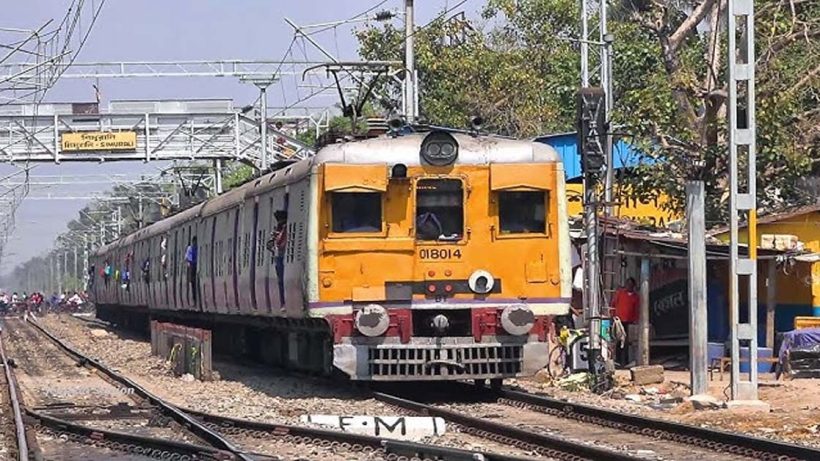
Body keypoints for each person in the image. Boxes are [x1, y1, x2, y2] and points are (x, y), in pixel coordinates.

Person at [612, 277, 640, 367]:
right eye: (627, 284)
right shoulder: (620, 293)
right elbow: (613, 304)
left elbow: (637, 309)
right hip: (618, 320)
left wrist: (636, 320)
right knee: (618, 341)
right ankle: (618, 360)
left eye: (630, 284)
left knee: (627, 342)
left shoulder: (636, 297)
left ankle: (625, 361)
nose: (628, 286)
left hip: (629, 321)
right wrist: (613, 315)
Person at [267, 210, 288, 308]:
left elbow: (279, 242)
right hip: (279, 257)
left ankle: (284, 302)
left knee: (282, 281)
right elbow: (270, 245)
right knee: (280, 280)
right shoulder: (278, 230)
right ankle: (283, 301)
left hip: (282, 257)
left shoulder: (284, 229)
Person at [185, 236, 198, 302]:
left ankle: (195, 297)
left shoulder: (197, 248)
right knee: (193, 281)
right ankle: (194, 298)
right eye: (194, 242)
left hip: (196, 265)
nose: (195, 243)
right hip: (192, 266)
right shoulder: (190, 248)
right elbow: (188, 258)